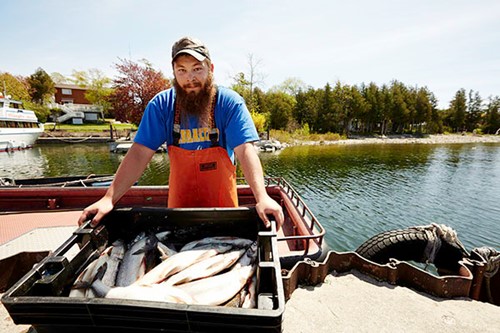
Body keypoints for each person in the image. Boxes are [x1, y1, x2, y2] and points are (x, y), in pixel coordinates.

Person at [78, 36, 284, 228]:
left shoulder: (229, 103)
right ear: (174, 72)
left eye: (197, 69)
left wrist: (262, 197)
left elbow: (245, 150)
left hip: (223, 210)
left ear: (210, 69)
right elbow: (139, 154)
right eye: (182, 70)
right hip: (178, 209)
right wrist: (108, 199)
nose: (190, 78)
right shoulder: (161, 105)